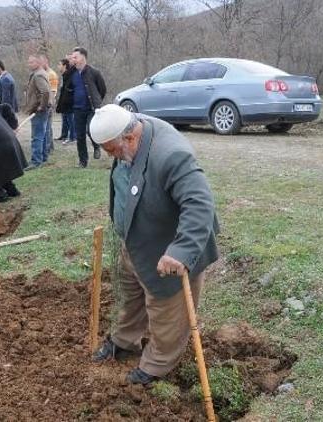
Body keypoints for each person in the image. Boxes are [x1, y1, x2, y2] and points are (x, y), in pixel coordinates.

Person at [89, 104, 221, 385]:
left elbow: (200, 204)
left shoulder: (171, 154)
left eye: (112, 150)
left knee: (166, 310)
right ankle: (125, 341)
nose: (111, 157)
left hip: (168, 249)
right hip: (137, 241)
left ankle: (156, 365)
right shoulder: (128, 133)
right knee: (130, 297)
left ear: (130, 138)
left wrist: (181, 251)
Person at [61, 46, 107, 168]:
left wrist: (97, 102)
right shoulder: (72, 73)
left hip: (91, 108)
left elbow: (102, 89)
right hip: (77, 109)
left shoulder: (94, 72)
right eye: (72, 57)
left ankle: (96, 146)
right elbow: (65, 82)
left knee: (90, 130)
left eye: (76, 57)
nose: (73, 59)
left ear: (83, 58)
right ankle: (83, 161)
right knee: (80, 136)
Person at [24, 55, 50, 169]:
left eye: (31, 62)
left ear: (38, 63)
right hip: (40, 109)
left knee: (37, 136)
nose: (29, 64)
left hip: (39, 110)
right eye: (28, 62)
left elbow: (45, 92)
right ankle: (43, 157)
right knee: (42, 134)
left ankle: (36, 161)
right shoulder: (39, 73)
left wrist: (41, 106)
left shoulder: (38, 74)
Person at [55, 57, 76, 145]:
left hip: (70, 102)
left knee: (70, 119)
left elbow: (73, 68)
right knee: (64, 119)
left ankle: (72, 137)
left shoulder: (70, 74)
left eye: (59, 65)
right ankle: (64, 135)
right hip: (64, 101)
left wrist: (71, 60)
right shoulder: (64, 76)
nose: (58, 67)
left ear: (64, 66)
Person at [43, 55, 58, 154]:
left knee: (47, 127)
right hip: (46, 103)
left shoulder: (51, 74)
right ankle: (50, 146)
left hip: (49, 103)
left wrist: (49, 103)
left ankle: (48, 148)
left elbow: (53, 91)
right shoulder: (43, 73)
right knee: (48, 126)